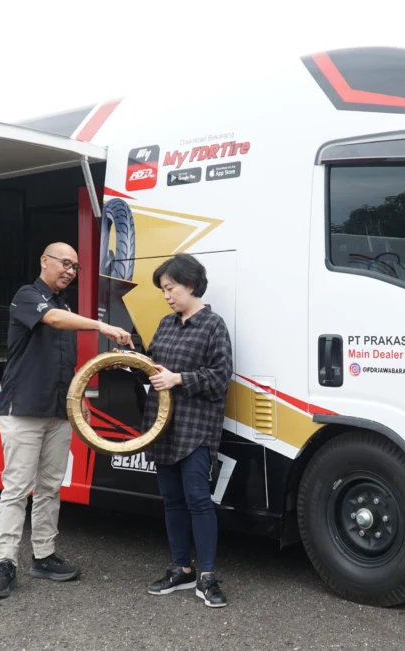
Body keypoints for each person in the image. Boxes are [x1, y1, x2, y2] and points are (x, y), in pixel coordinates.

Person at [0, 242, 134, 599]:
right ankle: (4, 564)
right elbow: (51, 320)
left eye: (75, 267)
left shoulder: (64, 305)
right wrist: (102, 326)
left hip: (58, 413)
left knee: (50, 487)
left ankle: (44, 556)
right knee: (17, 489)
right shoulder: (28, 296)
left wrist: (77, 402)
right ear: (44, 261)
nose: (70, 270)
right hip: (23, 411)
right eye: (64, 263)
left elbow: (64, 364)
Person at [140, 253, 234, 608]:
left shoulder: (213, 325)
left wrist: (178, 379)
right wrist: (132, 356)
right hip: (162, 427)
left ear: (190, 285)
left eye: (171, 287)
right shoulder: (165, 324)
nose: (166, 295)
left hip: (196, 429)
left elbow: (220, 376)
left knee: (198, 500)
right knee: (172, 502)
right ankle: (182, 570)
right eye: (164, 289)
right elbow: (151, 369)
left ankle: (207, 576)